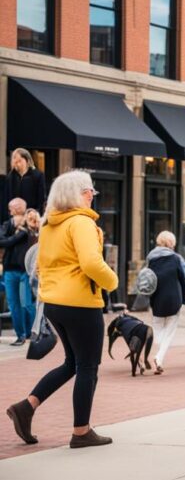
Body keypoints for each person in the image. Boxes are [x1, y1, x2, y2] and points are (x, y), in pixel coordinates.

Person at [6, 170, 116, 448]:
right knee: (88, 366)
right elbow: (91, 263)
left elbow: (39, 265)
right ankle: (81, 431)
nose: (93, 195)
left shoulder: (48, 224)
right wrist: (111, 281)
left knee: (72, 363)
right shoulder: (81, 222)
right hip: (81, 303)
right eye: (89, 191)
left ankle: (26, 406)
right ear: (77, 194)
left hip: (54, 302)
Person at [146, 231, 185, 375]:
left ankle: (156, 355)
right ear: (171, 243)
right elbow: (182, 279)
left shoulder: (151, 258)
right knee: (169, 333)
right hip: (173, 299)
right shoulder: (175, 258)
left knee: (157, 330)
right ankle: (158, 357)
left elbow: (148, 280)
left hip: (157, 299)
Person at [1, 200, 36, 345]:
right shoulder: (7, 225)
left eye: (11, 209)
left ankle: (33, 333)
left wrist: (24, 230)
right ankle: (21, 335)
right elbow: (2, 242)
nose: (10, 212)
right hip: (10, 270)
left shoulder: (32, 224)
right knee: (14, 304)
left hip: (26, 271)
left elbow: (35, 240)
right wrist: (18, 235)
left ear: (16, 209)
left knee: (26, 303)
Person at [4, 148, 47, 224]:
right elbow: (7, 199)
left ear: (27, 160)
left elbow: (41, 199)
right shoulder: (10, 177)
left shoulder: (38, 176)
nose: (17, 164)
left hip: (31, 216)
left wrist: (36, 215)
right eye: (15, 161)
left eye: (19, 161)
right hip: (14, 218)